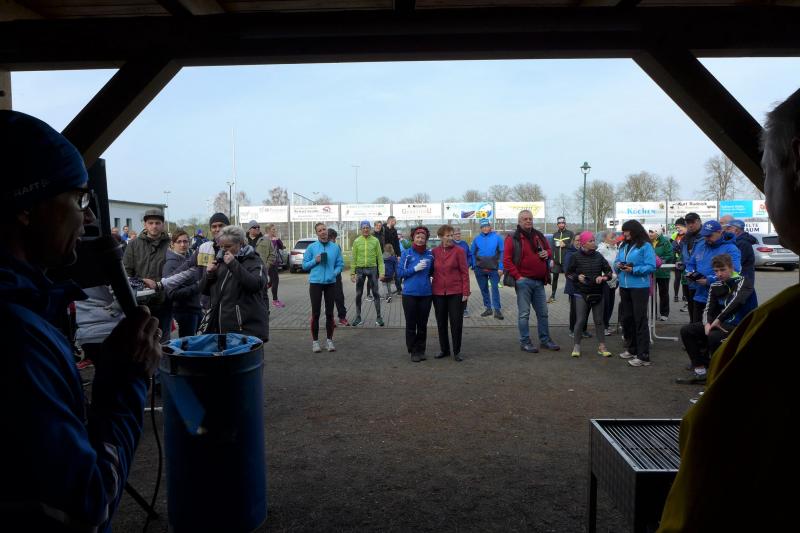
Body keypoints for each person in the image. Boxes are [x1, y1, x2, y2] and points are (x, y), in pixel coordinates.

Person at [0, 110, 162, 530]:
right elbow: (87, 508)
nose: (88, 218)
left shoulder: (30, 311)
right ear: (26, 207)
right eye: (78, 199)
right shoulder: (17, 340)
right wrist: (124, 381)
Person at [659, 90, 800, 532]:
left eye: (767, 173)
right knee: (694, 329)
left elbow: (712, 474)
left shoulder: (779, 334)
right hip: (708, 303)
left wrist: (717, 310)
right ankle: (699, 366)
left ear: (797, 163)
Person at [676, 253, 756, 385]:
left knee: (714, 336)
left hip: (741, 324)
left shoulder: (744, 281)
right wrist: (707, 324)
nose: (719, 274)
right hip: (721, 324)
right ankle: (701, 372)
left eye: (722, 270)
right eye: (716, 271)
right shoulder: (715, 285)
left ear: (731, 268)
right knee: (687, 330)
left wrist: (718, 320)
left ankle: (717, 377)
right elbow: (709, 308)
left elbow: (737, 302)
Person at [503, 210, 560, 353]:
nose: (528, 221)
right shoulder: (512, 237)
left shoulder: (538, 235)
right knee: (524, 314)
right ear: (519, 221)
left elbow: (549, 250)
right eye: (525, 219)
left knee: (543, 313)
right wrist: (518, 277)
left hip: (539, 282)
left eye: (530, 218)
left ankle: (545, 340)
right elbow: (507, 261)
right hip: (524, 282)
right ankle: (525, 342)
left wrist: (547, 253)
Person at [199, 225, 269, 341]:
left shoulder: (254, 260)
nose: (223, 250)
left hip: (244, 330)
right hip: (220, 329)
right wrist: (209, 274)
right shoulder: (220, 261)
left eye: (228, 246)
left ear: (240, 243)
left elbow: (256, 285)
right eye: (221, 246)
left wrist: (233, 264)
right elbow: (204, 291)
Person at [123, 208, 172, 338]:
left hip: (164, 302)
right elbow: (126, 271)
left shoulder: (171, 244)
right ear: (145, 224)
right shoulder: (133, 245)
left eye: (157, 223)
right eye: (151, 223)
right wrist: (140, 283)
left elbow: (176, 270)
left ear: (163, 224)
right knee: (140, 339)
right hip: (140, 302)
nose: (154, 226)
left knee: (163, 340)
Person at [615, 220, 657, 367]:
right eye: (623, 231)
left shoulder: (645, 246)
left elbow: (651, 266)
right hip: (624, 286)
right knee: (627, 319)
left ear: (634, 231)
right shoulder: (623, 245)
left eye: (626, 231)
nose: (624, 233)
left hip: (639, 287)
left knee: (640, 320)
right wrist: (618, 265)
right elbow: (616, 261)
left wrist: (634, 270)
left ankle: (643, 355)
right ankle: (632, 349)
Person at [566, 231, 613, 357]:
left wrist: (603, 278)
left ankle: (602, 347)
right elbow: (568, 274)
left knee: (599, 321)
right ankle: (576, 346)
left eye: (593, 240)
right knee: (580, 320)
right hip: (581, 293)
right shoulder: (575, 256)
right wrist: (577, 277)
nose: (593, 242)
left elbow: (609, 272)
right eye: (590, 241)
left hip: (597, 292)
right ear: (583, 243)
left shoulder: (599, 256)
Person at [685, 220, 741, 322]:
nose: (706, 238)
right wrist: (690, 273)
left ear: (720, 232)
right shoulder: (701, 246)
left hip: (720, 298)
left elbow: (735, 271)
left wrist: (709, 280)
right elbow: (691, 263)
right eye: (704, 236)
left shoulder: (731, 248)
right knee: (696, 327)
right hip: (699, 296)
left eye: (709, 235)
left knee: (713, 329)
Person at [303, 222, 344, 352]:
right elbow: (304, 265)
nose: (323, 232)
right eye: (320, 230)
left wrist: (334, 273)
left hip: (330, 283)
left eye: (324, 229)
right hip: (315, 283)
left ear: (327, 231)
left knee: (330, 313)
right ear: (317, 233)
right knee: (316, 313)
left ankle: (329, 341)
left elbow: (340, 264)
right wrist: (315, 260)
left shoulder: (335, 248)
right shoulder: (312, 247)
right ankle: (315, 342)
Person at [431, 225, 470, 362]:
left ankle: (457, 351)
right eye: (447, 235)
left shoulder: (459, 251)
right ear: (440, 237)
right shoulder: (434, 252)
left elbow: (465, 272)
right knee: (441, 323)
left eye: (451, 235)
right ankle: (444, 349)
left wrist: (466, 291)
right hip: (438, 293)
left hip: (456, 292)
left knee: (456, 322)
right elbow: (430, 271)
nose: (450, 238)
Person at [398, 226, 435, 362]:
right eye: (418, 237)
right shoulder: (406, 253)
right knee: (411, 324)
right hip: (409, 294)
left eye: (423, 238)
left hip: (426, 294)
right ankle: (413, 350)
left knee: (422, 324)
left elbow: (433, 272)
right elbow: (400, 273)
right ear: (413, 238)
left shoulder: (430, 255)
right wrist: (414, 269)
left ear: (426, 239)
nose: (420, 240)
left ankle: (421, 350)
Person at [163, 230, 202, 337]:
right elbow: (170, 293)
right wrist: (197, 287)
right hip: (183, 311)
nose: (183, 245)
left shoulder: (191, 259)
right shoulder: (170, 264)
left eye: (185, 241)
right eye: (179, 242)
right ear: (172, 244)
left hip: (196, 308)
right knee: (187, 344)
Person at [350, 220, 385, 327]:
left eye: (367, 228)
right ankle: (358, 317)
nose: (365, 229)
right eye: (363, 228)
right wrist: (352, 273)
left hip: (372, 269)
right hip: (360, 270)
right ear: (361, 229)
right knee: (358, 294)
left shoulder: (375, 241)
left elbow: (380, 258)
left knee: (375, 293)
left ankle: (379, 317)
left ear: (370, 229)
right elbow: (353, 258)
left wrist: (382, 272)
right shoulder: (357, 241)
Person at [470, 218, 504, 320]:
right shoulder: (476, 239)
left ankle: (497, 310)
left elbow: (502, 252)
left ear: (490, 227)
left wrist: (501, 267)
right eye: (483, 227)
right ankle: (488, 308)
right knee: (484, 289)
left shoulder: (497, 238)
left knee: (494, 288)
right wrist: (474, 265)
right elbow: (472, 253)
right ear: (481, 228)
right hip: (480, 269)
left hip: (494, 269)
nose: (485, 228)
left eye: (487, 226)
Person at [246, 220, 276, 312]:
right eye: (255, 227)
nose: (257, 228)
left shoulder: (266, 240)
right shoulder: (243, 240)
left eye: (258, 227)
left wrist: (266, 266)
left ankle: (265, 312)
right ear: (249, 229)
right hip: (246, 271)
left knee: (263, 293)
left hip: (261, 271)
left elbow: (272, 255)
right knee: (247, 293)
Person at [678, 212, 703, 321]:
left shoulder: (705, 236)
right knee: (691, 307)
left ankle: (699, 328)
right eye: (688, 223)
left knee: (701, 309)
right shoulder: (686, 238)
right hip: (689, 278)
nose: (690, 225)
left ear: (699, 221)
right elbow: (684, 255)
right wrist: (681, 263)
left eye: (693, 222)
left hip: (702, 279)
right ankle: (692, 325)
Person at [649, 227, 675, 321]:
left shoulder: (665, 242)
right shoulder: (647, 242)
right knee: (652, 293)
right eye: (649, 232)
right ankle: (653, 313)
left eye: (652, 232)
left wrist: (659, 261)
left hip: (663, 272)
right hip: (651, 272)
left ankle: (664, 313)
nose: (650, 234)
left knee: (663, 293)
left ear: (658, 233)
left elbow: (670, 255)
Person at [597, 230, 619, 336]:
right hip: (605, 280)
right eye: (612, 238)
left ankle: (607, 324)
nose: (614, 239)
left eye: (615, 237)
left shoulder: (616, 249)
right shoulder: (601, 249)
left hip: (614, 279)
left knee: (610, 303)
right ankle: (602, 327)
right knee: (605, 304)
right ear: (605, 239)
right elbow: (598, 264)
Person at [724, 218, 757, 286]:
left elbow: (738, 262)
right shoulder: (738, 241)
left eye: (729, 229)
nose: (726, 231)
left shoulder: (743, 243)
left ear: (736, 230)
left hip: (743, 280)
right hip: (741, 279)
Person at [549, 216, 574, 303]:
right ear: (557, 224)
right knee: (555, 278)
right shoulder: (555, 234)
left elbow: (574, 246)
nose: (561, 224)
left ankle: (571, 296)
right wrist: (552, 259)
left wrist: (565, 245)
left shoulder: (570, 234)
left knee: (569, 278)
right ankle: (552, 295)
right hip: (556, 261)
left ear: (565, 224)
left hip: (566, 261)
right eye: (559, 223)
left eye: (563, 223)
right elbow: (552, 248)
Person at [327, 228, 349, 325]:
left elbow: (340, 263)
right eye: (332, 238)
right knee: (329, 299)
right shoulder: (322, 247)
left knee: (339, 297)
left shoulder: (337, 247)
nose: (334, 240)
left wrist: (336, 271)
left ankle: (342, 317)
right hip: (326, 276)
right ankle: (330, 319)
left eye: (335, 238)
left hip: (336, 276)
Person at [452, 226, 473, 317]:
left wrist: (467, 264)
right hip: (453, 272)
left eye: (459, 234)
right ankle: (454, 309)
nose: (458, 235)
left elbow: (470, 255)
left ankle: (464, 309)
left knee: (465, 289)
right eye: (456, 234)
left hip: (464, 271)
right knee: (454, 290)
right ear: (452, 235)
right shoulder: (450, 244)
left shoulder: (464, 244)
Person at [267, 224, 286, 307]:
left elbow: (281, 246)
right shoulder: (266, 239)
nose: (275, 231)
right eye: (273, 229)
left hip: (275, 263)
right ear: (268, 230)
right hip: (270, 263)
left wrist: (278, 239)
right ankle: (275, 300)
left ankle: (260, 290)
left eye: (275, 229)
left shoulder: (275, 239)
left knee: (271, 281)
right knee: (275, 280)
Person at [384, 215, 402, 294]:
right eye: (394, 221)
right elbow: (384, 240)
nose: (395, 222)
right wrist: (387, 228)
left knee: (397, 272)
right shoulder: (383, 229)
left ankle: (399, 289)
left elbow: (396, 244)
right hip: (386, 255)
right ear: (390, 221)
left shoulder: (394, 230)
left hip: (394, 254)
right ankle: (388, 291)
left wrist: (399, 255)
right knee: (388, 274)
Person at [670, 218, 687, 303]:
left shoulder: (688, 236)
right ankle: (676, 295)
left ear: (685, 226)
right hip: (677, 260)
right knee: (677, 278)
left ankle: (684, 295)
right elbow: (671, 245)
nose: (678, 229)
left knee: (685, 279)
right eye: (676, 228)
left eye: (679, 227)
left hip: (685, 261)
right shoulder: (675, 235)